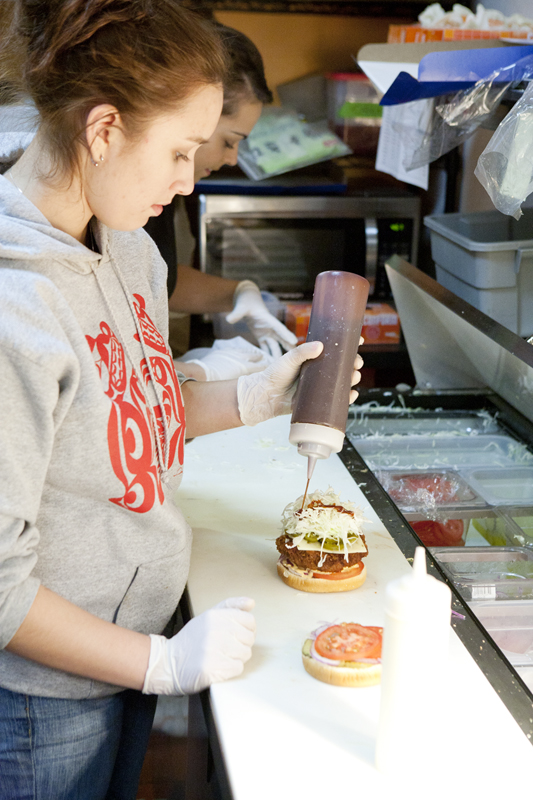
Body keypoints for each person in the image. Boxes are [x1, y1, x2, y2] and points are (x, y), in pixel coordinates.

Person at [0, 2, 363, 798]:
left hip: (123, 654)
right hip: (39, 700)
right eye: (178, 151)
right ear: (104, 129)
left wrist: (250, 397)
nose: (189, 179)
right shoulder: (13, 310)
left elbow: (122, 415)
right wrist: (159, 664)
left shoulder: (128, 244)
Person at [145, 24, 298, 377]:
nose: (232, 159)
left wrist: (239, 292)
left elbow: (156, 277)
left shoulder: (166, 188)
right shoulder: (118, 201)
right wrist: (199, 373)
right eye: (229, 142)